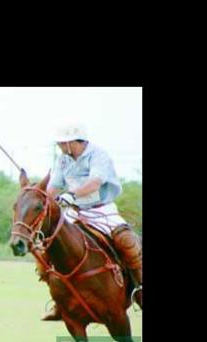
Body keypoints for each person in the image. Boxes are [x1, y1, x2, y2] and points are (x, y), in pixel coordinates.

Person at [40, 121, 142, 320]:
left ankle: (139, 288)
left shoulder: (98, 155)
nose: (60, 147)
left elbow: (95, 182)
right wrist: (45, 199)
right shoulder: (63, 160)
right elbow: (53, 186)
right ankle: (59, 302)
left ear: (73, 142)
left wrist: (72, 194)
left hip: (102, 210)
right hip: (74, 212)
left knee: (127, 241)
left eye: (63, 143)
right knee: (48, 247)